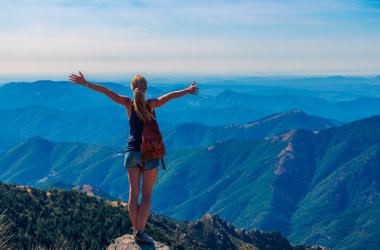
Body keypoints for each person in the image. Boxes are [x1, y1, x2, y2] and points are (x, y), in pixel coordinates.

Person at [69, 72, 199, 244]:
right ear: (145, 89)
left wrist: (85, 83)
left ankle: (135, 231)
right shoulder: (151, 105)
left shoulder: (127, 104)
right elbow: (170, 96)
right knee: (146, 195)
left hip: (130, 154)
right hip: (149, 154)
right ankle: (140, 232)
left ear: (132, 88)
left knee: (133, 193)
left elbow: (106, 91)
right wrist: (188, 90)